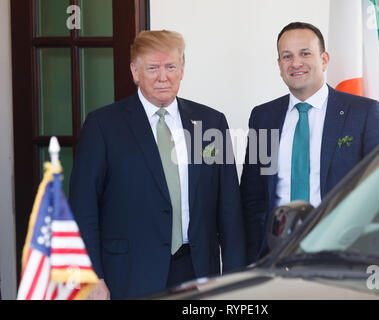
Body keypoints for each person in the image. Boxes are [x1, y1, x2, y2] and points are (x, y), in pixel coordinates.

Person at [69, 30, 246, 299]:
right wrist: (92, 276)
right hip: (129, 274)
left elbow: (229, 208)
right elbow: (84, 209)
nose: (163, 77)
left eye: (170, 67)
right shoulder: (103, 126)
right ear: (135, 71)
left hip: (198, 272)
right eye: (152, 68)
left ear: (182, 69)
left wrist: (235, 277)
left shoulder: (211, 122)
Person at [240, 22, 379, 264]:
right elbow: (252, 196)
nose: (296, 63)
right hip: (277, 257)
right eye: (287, 56)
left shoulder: (363, 113)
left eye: (305, 53)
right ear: (279, 65)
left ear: (324, 59)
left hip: (343, 256)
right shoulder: (263, 117)